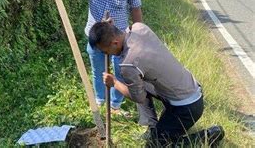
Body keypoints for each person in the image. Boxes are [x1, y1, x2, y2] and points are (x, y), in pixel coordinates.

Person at [89, 21, 223, 146]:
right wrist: (107, 28)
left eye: (105, 52)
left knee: (156, 144)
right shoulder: (139, 27)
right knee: (138, 84)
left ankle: (210, 135)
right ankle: (153, 128)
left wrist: (115, 83)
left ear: (115, 43)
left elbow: (138, 98)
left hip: (187, 107)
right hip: (190, 88)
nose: (107, 54)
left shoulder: (129, 64)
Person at [45, 0, 143, 113]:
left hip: (119, 40)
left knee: (121, 71)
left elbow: (135, 9)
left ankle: (115, 105)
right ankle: (100, 100)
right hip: (96, 38)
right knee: (98, 71)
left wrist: (138, 34)